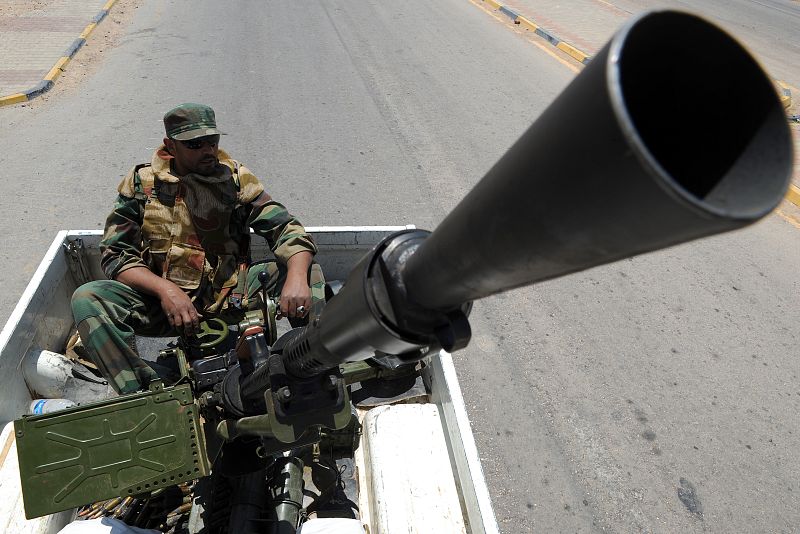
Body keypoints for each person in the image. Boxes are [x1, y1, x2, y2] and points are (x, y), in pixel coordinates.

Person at [71, 103, 324, 394]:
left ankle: (314, 370)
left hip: (232, 297)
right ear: (171, 146)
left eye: (212, 141)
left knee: (309, 273)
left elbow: (286, 228)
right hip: (163, 307)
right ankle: (148, 393)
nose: (208, 151)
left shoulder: (235, 178)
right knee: (87, 299)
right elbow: (115, 255)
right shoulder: (143, 185)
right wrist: (165, 290)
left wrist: (296, 277)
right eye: (194, 144)